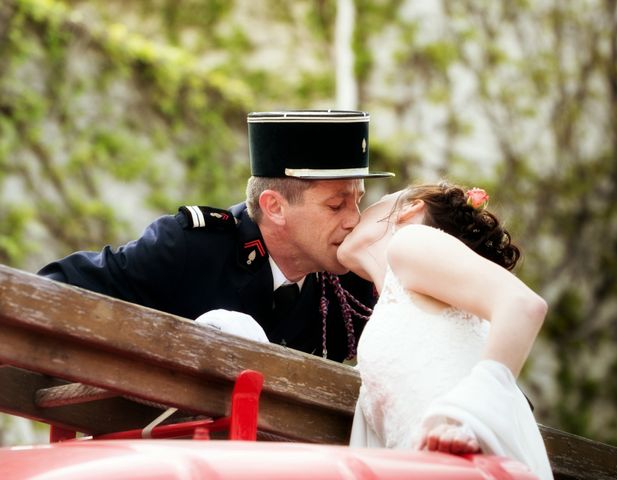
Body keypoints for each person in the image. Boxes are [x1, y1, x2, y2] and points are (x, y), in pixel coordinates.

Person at [38, 110, 394, 362]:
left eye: (357, 201)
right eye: (336, 206)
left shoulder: (350, 284)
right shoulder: (190, 246)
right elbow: (56, 289)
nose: (354, 221)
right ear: (274, 207)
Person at [337, 182, 553, 479]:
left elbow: (523, 305)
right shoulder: (399, 307)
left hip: (467, 465)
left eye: (373, 201)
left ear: (411, 208)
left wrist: (466, 417)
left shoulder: (409, 241)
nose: (353, 217)